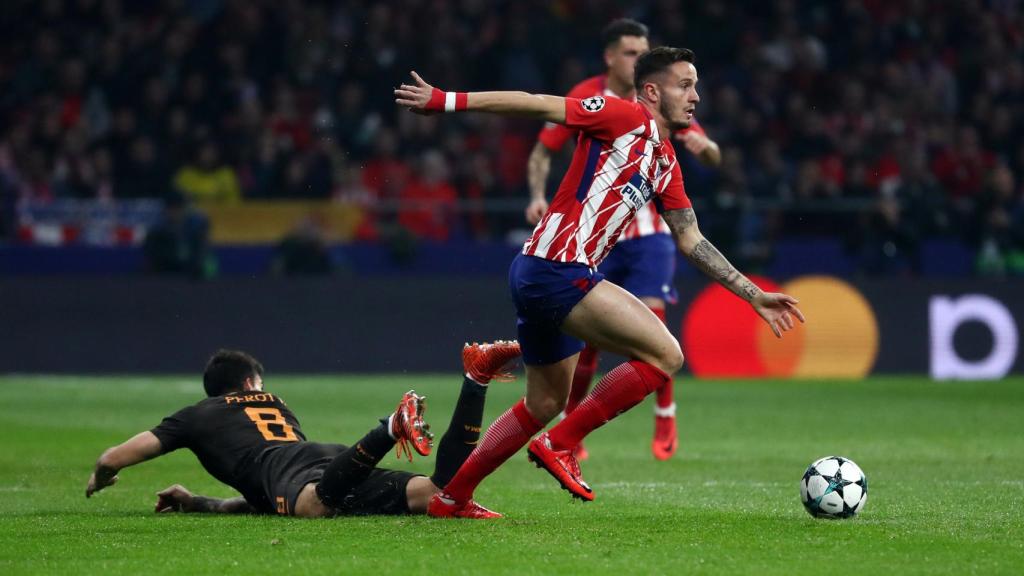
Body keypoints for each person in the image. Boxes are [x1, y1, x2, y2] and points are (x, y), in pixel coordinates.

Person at [395, 47, 804, 519]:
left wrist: (753, 295)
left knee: (544, 400)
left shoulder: (666, 161)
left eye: (696, 85)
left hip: (542, 272)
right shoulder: (621, 114)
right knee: (666, 355)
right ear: (652, 91)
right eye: (685, 85)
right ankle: (562, 444)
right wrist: (446, 101)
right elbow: (535, 102)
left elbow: (691, 240)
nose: (696, 96)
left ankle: (451, 498)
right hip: (557, 268)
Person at [525, 19, 723, 462]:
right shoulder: (593, 98)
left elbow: (711, 152)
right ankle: (571, 434)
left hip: (651, 235)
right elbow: (543, 148)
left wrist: (703, 148)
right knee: (590, 338)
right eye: (631, 51)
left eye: (643, 50)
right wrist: (537, 195)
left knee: (653, 322)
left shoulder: (667, 97)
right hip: (598, 237)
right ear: (611, 58)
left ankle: (665, 413)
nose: (639, 57)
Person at [85, 341, 521, 517]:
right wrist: (197, 501)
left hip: (297, 474)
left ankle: (390, 427)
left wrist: (102, 475)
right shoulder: (276, 402)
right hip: (324, 459)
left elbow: (113, 457)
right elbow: (261, 500)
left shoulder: (197, 415)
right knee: (437, 493)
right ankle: (476, 378)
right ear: (252, 383)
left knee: (314, 505)